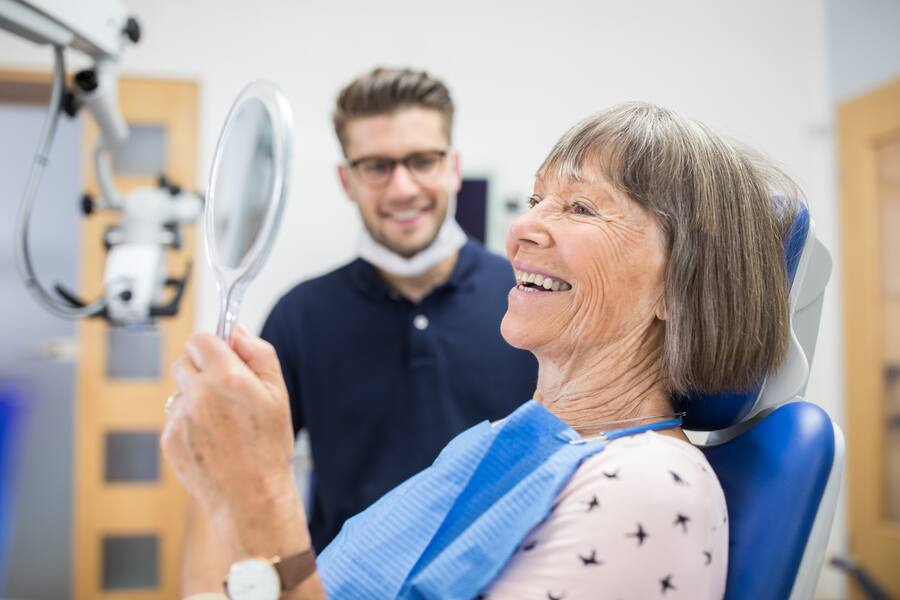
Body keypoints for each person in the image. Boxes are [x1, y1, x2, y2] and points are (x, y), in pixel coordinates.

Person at [164, 102, 799, 599]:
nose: (522, 228)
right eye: (534, 201)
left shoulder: (647, 491)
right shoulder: (524, 443)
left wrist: (259, 505)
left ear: (681, 284)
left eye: (580, 206)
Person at [179, 67, 538, 592]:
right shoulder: (300, 315)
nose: (402, 187)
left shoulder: (528, 300)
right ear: (347, 180)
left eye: (422, 160)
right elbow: (238, 472)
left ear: (453, 167)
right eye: (376, 166)